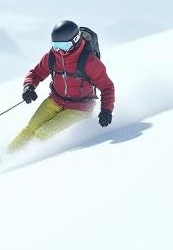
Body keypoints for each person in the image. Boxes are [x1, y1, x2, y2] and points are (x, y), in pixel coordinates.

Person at [9, 20, 115, 152]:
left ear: (75, 40)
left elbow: (107, 87)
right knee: (31, 127)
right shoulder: (52, 57)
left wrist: (106, 110)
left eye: (64, 46)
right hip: (55, 100)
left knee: (43, 132)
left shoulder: (90, 62)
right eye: (56, 45)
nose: (60, 50)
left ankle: (23, 157)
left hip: (79, 108)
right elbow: (35, 73)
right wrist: (29, 87)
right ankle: (5, 157)